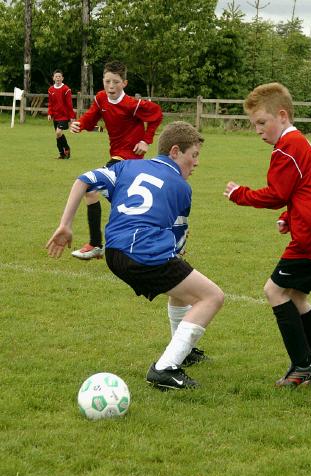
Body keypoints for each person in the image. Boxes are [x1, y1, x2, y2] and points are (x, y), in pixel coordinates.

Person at [46, 121, 224, 390]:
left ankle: (183, 352)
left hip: (115, 252)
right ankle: (165, 369)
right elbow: (178, 237)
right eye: (194, 155)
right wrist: (173, 250)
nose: (196, 163)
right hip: (144, 252)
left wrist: (65, 224)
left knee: (181, 286)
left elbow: (84, 180)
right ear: (175, 151)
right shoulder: (181, 186)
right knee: (212, 296)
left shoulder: (126, 165)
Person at [224, 82, 311, 387]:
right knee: (296, 296)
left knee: (274, 291)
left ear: (282, 116)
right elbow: (310, 190)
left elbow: (277, 193)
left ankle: (303, 363)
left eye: (262, 123)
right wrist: (290, 218)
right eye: (254, 124)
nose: (258, 130)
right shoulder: (301, 144)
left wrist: (240, 194)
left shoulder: (287, 148)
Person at [69, 60, 163, 260]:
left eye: (116, 82)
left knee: (91, 186)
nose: (111, 86)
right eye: (107, 81)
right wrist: (80, 124)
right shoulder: (101, 99)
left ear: (125, 83)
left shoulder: (132, 104)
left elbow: (156, 114)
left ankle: (97, 245)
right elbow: (91, 118)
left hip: (129, 157)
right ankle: (103, 244)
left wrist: (146, 141)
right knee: (108, 196)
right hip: (117, 156)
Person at [47, 69, 75, 159]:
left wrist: (72, 117)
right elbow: (50, 103)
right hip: (55, 116)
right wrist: (49, 113)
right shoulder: (51, 90)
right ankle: (62, 154)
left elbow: (69, 104)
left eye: (59, 76)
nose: (58, 78)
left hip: (64, 116)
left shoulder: (66, 89)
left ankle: (66, 148)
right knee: (57, 135)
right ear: (53, 78)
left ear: (62, 78)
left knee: (58, 133)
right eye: (56, 76)